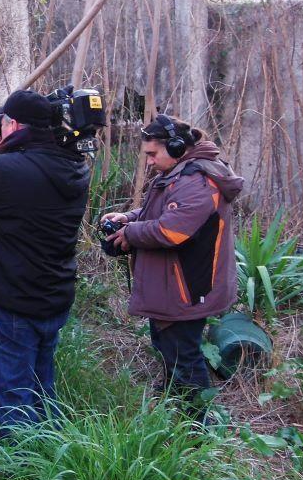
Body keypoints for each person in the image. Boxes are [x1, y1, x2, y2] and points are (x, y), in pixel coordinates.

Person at [0, 89, 91, 435]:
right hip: (54, 294)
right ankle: (51, 449)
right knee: (42, 384)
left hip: (14, 300)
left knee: (14, 394)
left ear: (12, 126)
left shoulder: (6, 169)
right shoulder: (74, 165)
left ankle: (23, 462)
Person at [102, 114, 243, 415]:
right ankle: (176, 412)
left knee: (184, 356)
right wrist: (129, 218)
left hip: (188, 286)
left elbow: (172, 230)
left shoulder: (197, 180)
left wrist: (130, 233)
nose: (149, 161)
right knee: (170, 348)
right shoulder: (180, 173)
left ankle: (196, 428)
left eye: (153, 153)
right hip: (176, 285)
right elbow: (163, 211)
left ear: (177, 147)